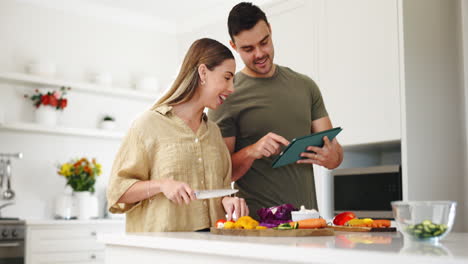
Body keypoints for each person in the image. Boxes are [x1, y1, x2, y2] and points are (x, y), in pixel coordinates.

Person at [208, 3, 343, 220]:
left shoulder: (305, 86)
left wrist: (331, 156)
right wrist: (252, 150)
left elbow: (335, 155)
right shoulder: (227, 95)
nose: (260, 54)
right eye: (248, 49)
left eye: (264, 42)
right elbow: (221, 175)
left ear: (270, 30)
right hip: (257, 226)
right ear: (234, 46)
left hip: (307, 221)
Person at [107, 38, 249, 232]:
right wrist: (162, 185)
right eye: (227, 77)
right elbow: (118, 191)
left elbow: (221, 188)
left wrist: (226, 201)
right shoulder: (148, 125)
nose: (232, 88)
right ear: (203, 73)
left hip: (211, 248)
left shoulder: (214, 133)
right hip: (163, 251)